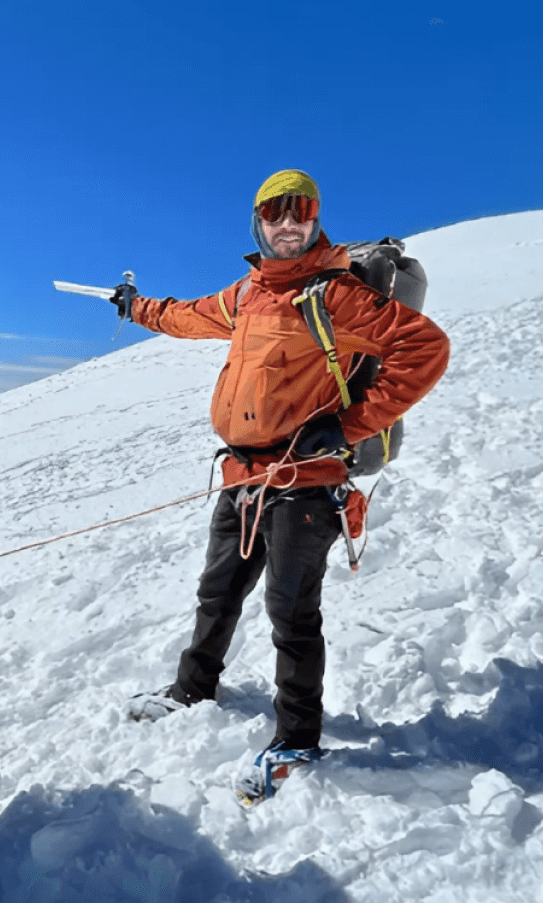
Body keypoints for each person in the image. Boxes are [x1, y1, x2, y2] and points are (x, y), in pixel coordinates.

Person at [119, 170, 451, 804]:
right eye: (276, 214)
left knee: (291, 612)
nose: (289, 223)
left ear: (316, 219)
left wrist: (351, 424)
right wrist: (136, 309)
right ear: (258, 223)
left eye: (302, 212)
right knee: (218, 591)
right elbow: (189, 317)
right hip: (243, 475)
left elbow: (425, 348)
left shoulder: (335, 295)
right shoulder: (250, 295)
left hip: (304, 479)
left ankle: (297, 737)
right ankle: (193, 687)